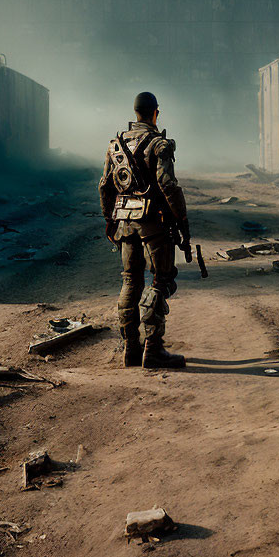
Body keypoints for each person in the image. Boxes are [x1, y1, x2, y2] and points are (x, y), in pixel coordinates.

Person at [98, 91, 189, 370]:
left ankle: (131, 349)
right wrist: (182, 220)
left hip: (125, 224)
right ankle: (154, 349)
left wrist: (110, 220)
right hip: (154, 225)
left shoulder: (116, 145)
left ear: (135, 113)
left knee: (130, 281)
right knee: (161, 280)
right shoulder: (159, 144)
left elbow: (105, 186)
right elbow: (168, 186)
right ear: (155, 113)